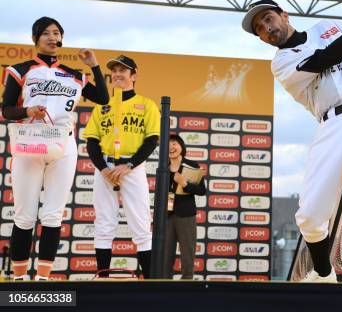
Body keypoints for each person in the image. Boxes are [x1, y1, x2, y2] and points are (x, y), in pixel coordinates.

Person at [241, 0, 342, 284]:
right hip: (333, 123)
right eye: (260, 29)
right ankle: (324, 273)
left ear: (284, 14)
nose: (266, 28)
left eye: (267, 19)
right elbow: (326, 58)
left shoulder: (329, 26)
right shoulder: (281, 63)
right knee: (310, 215)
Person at [1, 16, 109, 280]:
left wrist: (94, 66)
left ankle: (43, 279)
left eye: (57, 33)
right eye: (46, 33)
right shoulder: (19, 69)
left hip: (63, 143)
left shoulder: (74, 75)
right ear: (35, 38)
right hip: (29, 141)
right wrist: (28, 110)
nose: (52, 37)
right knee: (24, 215)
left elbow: (103, 98)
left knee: (52, 213)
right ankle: (18, 279)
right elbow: (6, 109)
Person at [83, 55, 160, 278]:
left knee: (141, 224)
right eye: (115, 70)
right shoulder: (102, 105)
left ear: (133, 76)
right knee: (104, 222)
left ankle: (150, 279)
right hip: (105, 167)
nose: (117, 74)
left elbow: (151, 140)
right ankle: (102, 277)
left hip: (132, 167)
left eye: (123, 70)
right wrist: (104, 169)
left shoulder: (147, 104)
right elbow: (92, 141)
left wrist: (129, 165)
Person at [164, 134, 206, 279]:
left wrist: (185, 184)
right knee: (165, 255)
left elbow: (202, 190)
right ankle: (164, 285)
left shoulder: (191, 165)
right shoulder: (163, 167)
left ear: (181, 147)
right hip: (167, 216)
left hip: (186, 215)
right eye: (168, 144)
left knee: (188, 253)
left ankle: (187, 283)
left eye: (174, 143)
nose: (171, 147)